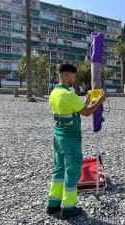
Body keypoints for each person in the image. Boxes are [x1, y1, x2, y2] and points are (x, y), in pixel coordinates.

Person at [46, 63, 106, 219]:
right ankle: (68, 207)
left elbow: (74, 110)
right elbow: (86, 113)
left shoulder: (54, 93)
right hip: (70, 140)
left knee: (58, 171)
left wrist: (85, 101)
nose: (74, 79)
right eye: (73, 76)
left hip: (57, 137)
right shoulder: (69, 95)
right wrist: (99, 102)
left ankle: (53, 204)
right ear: (67, 75)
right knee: (72, 172)